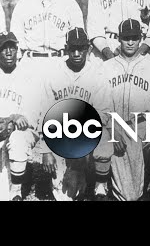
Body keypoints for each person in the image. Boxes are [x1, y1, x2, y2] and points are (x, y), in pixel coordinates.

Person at [102, 19, 150, 201]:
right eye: (126, 38)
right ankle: (105, 182)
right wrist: (112, 131)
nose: (130, 42)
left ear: (140, 38)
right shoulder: (106, 67)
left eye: (134, 38)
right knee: (129, 197)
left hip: (144, 127)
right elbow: (99, 107)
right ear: (119, 39)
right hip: (118, 128)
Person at [38, 27, 113, 201]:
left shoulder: (97, 73)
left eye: (81, 48)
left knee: (105, 139)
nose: (77, 53)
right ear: (66, 48)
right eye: (73, 48)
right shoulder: (53, 73)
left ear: (88, 48)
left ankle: (100, 187)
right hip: (60, 134)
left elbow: (104, 112)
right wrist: (45, 150)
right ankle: (78, 179)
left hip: (88, 131)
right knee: (66, 195)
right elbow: (44, 113)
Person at [10, 0, 84, 79]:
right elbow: (16, 41)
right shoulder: (24, 4)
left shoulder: (70, 5)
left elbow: (79, 41)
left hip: (60, 63)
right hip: (30, 64)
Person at [0, 32, 40, 201]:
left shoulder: (28, 75)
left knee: (17, 139)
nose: (9, 52)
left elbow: (31, 114)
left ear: (17, 50)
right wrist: (8, 119)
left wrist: (13, 121)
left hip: (19, 132)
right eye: (3, 48)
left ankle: (16, 193)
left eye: (12, 48)